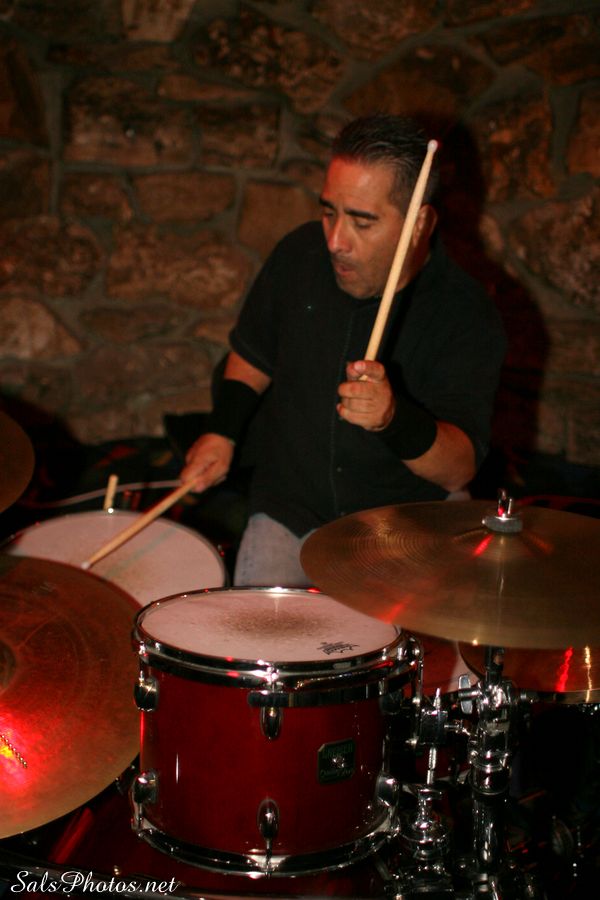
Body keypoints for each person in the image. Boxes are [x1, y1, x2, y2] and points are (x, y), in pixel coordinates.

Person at [181, 114, 506, 586]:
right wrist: (222, 433)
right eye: (329, 211)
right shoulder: (298, 254)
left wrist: (393, 420)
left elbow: (458, 470)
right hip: (289, 507)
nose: (335, 241)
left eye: (362, 221)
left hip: (404, 518)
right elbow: (253, 354)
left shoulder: (465, 312)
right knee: (255, 628)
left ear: (419, 223)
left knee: (417, 631)